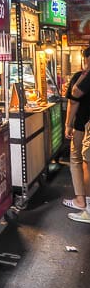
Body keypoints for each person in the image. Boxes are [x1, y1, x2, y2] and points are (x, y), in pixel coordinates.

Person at [64, 46, 90, 213]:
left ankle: (83, 202)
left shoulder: (82, 77)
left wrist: (68, 124)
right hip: (82, 125)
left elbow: (74, 99)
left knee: (80, 161)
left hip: (83, 125)